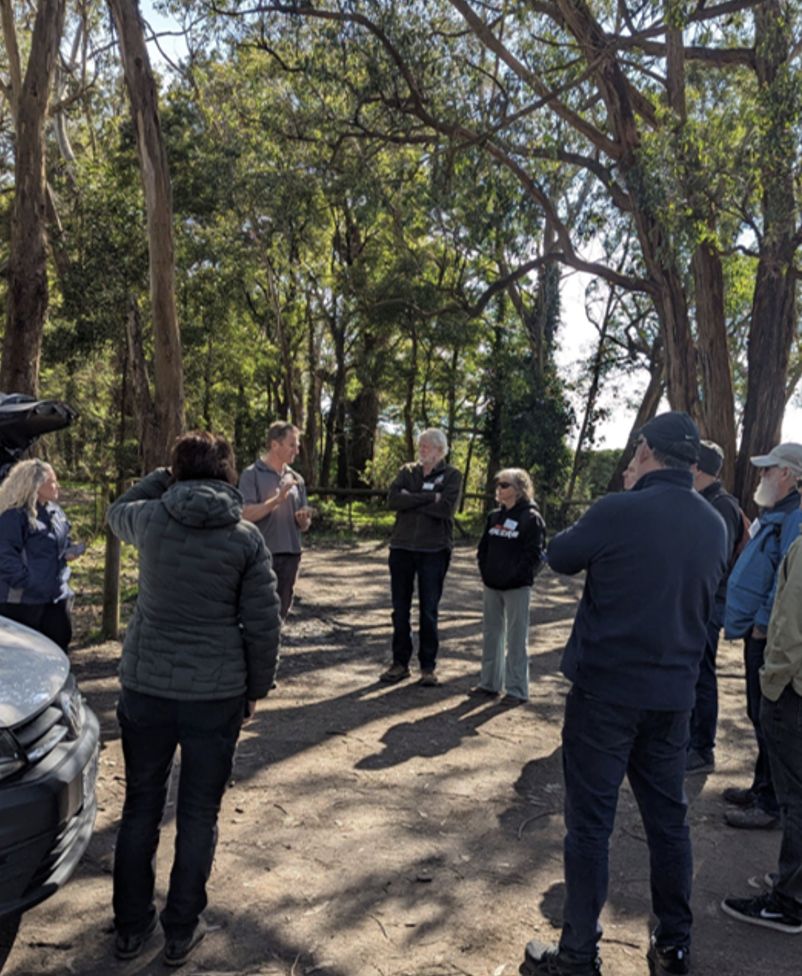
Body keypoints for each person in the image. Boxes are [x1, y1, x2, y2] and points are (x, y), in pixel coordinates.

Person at [522, 412, 727, 976]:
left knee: (590, 824)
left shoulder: (620, 508)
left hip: (606, 693)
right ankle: (673, 946)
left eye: (636, 451)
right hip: (673, 698)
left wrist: (623, 496)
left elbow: (559, 555)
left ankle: (578, 956)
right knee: (669, 824)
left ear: (645, 451)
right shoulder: (715, 525)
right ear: (691, 463)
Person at [108, 431, 281, 967]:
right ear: (230, 474)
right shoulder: (244, 538)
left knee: (140, 806)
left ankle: (132, 926)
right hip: (216, 694)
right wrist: (256, 688)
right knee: (198, 814)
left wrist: (165, 476)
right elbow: (263, 624)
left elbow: (118, 511)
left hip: (146, 689)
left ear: (174, 471)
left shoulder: (153, 519)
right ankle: (181, 929)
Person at [722, 533, 802, 934]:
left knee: (796, 799)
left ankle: (789, 901)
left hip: (794, 693)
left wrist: (771, 684)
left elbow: (788, 628)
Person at [724, 442, 802, 829]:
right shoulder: (778, 512)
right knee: (759, 714)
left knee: (769, 717)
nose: (762, 475)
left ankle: (770, 803)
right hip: (758, 633)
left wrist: (762, 623)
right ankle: (762, 787)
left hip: (767, 636)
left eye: (769, 470)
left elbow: (789, 581)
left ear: (787, 474)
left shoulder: (795, 519)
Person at [380, 429, 462, 686]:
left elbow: (446, 509)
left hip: (434, 549)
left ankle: (428, 666)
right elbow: (393, 500)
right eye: (420, 445)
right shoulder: (407, 472)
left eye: (427, 446)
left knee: (428, 609)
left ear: (440, 450)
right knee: (400, 608)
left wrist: (411, 499)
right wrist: (429, 498)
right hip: (402, 547)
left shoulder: (452, 475)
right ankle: (400, 663)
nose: (422, 450)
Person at [686, 440, 744, 773]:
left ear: (696, 467)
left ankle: (702, 748)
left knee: (702, 674)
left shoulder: (721, 505)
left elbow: (716, 561)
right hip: (698, 598)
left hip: (709, 602)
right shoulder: (704, 501)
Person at [471, 468, 546, 706]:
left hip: (517, 588)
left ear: (519, 489)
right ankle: (489, 683)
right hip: (492, 585)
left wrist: (516, 576)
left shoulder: (531, 518)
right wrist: (487, 572)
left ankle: (516, 689)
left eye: (505, 485)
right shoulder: (494, 516)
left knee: (516, 638)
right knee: (491, 634)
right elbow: (483, 549)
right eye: (499, 484)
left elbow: (534, 555)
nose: (499, 489)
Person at [0, 458, 82, 651]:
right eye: (52, 481)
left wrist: (69, 548)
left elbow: (57, 540)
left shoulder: (56, 511)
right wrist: (28, 582)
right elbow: (4, 555)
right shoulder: (13, 516)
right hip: (23, 603)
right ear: (35, 485)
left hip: (56, 598)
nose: (58, 485)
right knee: (24, 659)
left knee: (59, 650)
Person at [239, 422, 314, 620]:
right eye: (292, 445)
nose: (297, 450)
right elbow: (245, 514)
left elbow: (304, 527)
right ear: (274, 445)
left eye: (297, 445)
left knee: (282, 613)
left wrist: (304, 519)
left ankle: (274, 649)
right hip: (261, 555)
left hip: (291, 554)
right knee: (259, 613)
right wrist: (277, 499)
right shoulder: (251, 475)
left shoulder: (296, 478)